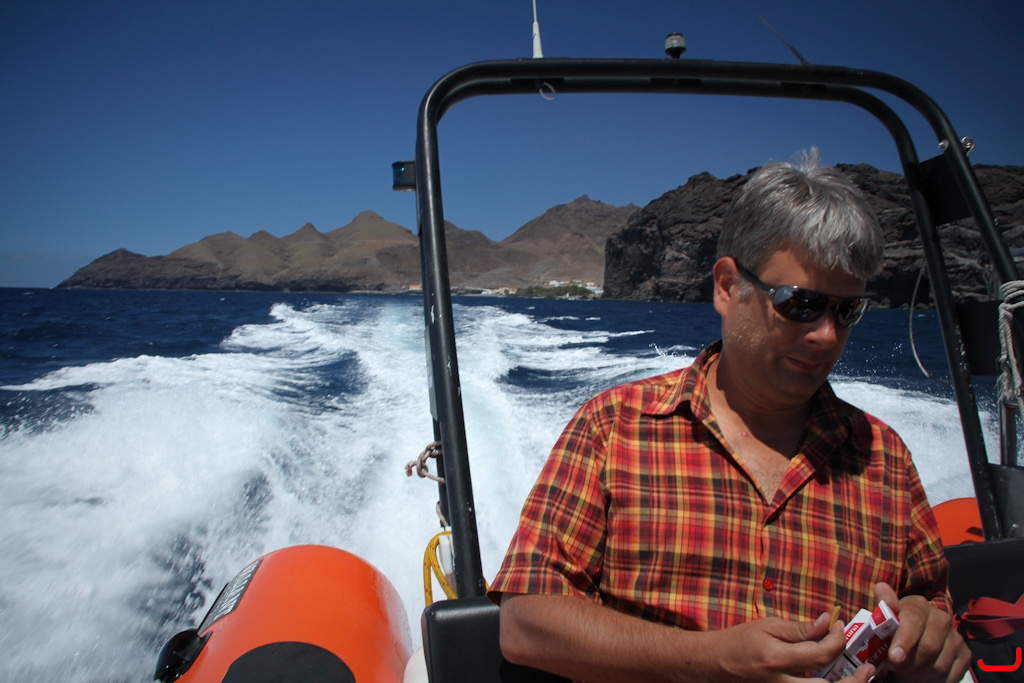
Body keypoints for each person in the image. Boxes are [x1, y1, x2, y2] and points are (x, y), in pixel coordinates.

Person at [487, 149, 972, 683]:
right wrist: (709, 660)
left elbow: (932, 608)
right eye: (801, 304)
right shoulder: (614, 427)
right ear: (727, 287)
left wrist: (926, 635)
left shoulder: (884, 458)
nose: (826, 335)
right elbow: (526, 622)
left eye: (847, 310)